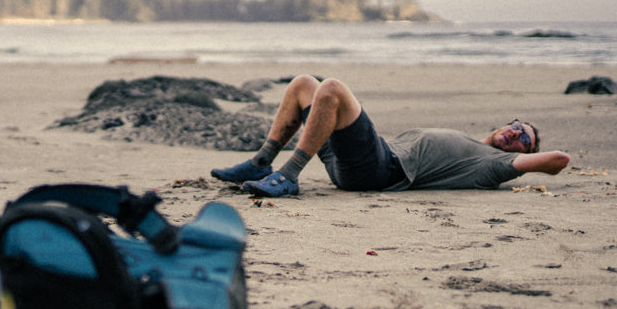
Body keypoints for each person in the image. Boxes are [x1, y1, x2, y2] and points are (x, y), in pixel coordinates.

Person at [211, 74, 571, 198]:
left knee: (332, 88)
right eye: (516, 125)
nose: (515, 134)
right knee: (306, 84)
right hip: (358, 161)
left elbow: (559, 161)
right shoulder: (473, 143)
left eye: (525, 137)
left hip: (380, 170)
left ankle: (288, 176)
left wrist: (528, 160)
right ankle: (262, 163)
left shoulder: (497, 165)